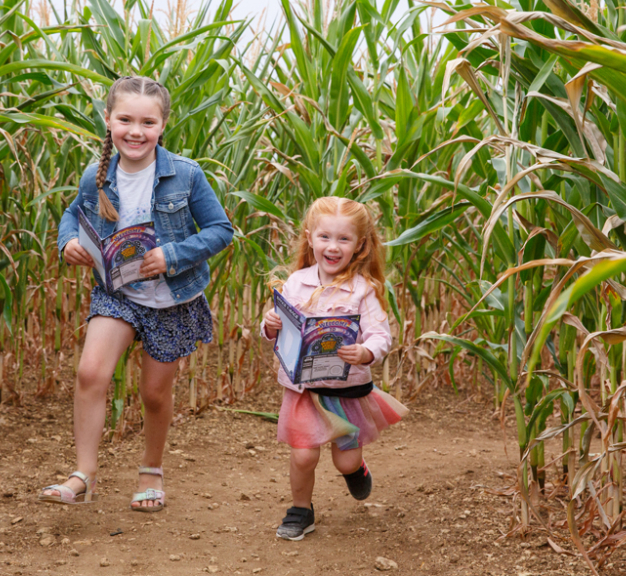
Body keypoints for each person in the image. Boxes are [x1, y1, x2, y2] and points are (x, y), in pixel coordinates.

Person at [41, 76, 233, 511]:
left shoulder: (185, 174)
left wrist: (173, 255)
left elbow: (222, 230)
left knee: (153, 394)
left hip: (172, 298)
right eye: (125, 119)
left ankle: (151, 469)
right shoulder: (97, 175)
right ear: (107, 120)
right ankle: (84, 474)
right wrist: (67, 241)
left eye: (148, 122)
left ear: (162, 125)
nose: (135, 131)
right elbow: (72, 214)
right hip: (117, 293)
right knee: (91, 373)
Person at [261, 197, 408, 540]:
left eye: (343, 239)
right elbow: (279, 335)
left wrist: (366, 351)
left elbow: (380, 334)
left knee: (344, 462)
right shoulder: (296, 283)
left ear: (359, 245)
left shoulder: (363, 291)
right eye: (325, 237)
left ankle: (355, 469)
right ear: (310, 237)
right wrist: (271, 325)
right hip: (304, 390)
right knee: (302, 457)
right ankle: (301, 509)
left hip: (346, 393)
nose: (333, 246)